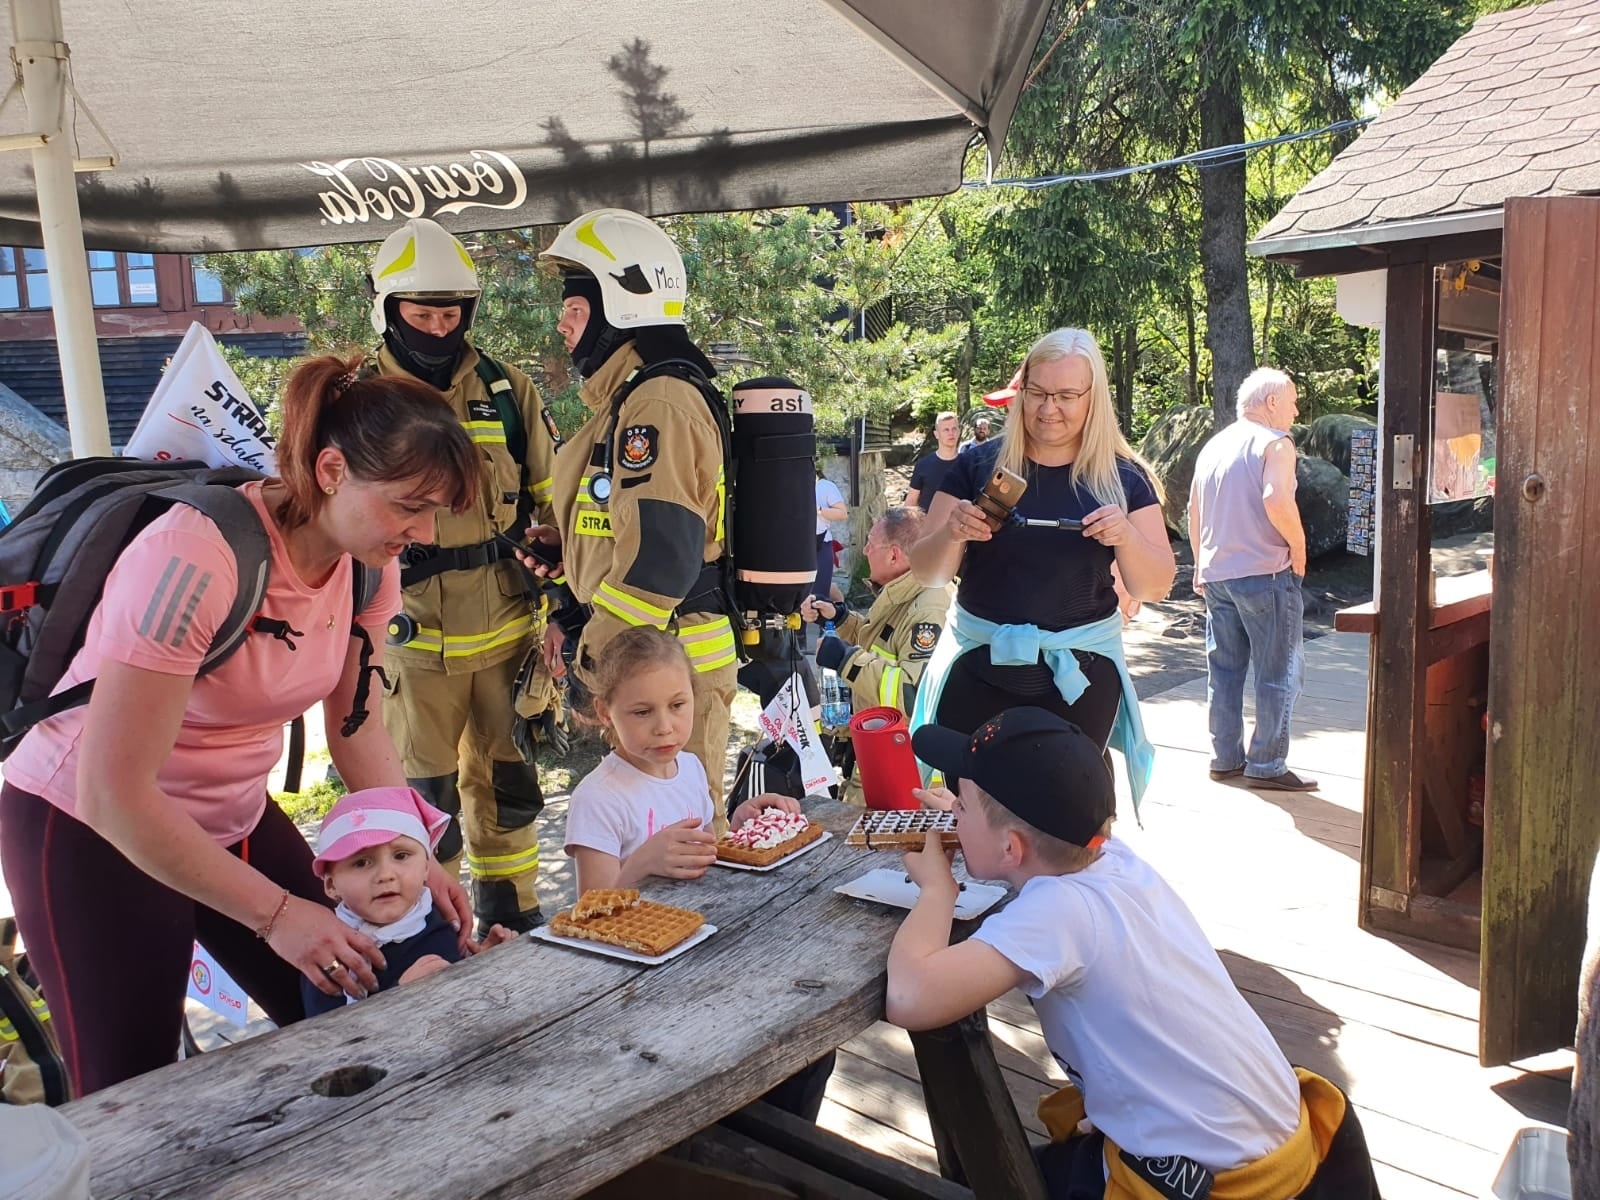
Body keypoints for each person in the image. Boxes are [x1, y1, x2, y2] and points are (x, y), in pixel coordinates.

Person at [0, 354, 479, 1096]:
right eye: (408, 505)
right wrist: (278, 914)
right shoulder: (196, 556)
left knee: (360, 999)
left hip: (234, 814)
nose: (419, 531)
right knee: (133, 1092)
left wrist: (417, 855)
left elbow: (357, 732)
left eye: (434, 512)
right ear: (329, 470)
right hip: (89, 827)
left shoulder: (368, 566)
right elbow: (115, 794)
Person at [891, 708, 1380, 1198]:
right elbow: (1034, 829)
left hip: (1222, 1184)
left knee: (996, 1180)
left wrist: (937, 889)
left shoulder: (1059, 911)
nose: (952, 810)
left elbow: (912, 998)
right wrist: (976, 820)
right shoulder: (1111, 858)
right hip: (1284, 1141)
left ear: (1012, 850)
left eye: (961, 807)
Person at [367, 215, 561, 936]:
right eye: (422, 314)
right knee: (424, 799)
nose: (439, 327)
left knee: (507, 790)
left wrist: (560, 558)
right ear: (388, 310)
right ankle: (432, 936)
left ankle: (515, 919)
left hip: (506, 636)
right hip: (411, 643)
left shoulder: (507, 392)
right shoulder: (360, 400)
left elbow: (553, 498)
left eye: (450, 313)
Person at [907, 327, 1175, 813]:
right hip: (977, 671)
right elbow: (927, 572)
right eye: (1038, 393)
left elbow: (1155, 584)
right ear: (1021, 391)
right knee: (974, 819)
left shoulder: (1123, 478)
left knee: (1066, 821)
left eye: (1067, 396)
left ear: (1094, 398)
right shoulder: (976, 466)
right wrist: (953, 533)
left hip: (1078, 679)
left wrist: (1127, 538)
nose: (1049, 409)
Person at [530, 208, 739, 824]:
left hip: (668, 669)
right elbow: (627, 524)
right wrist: (568, 551)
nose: (562, 323)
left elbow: (662, 558)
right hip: (648, 662)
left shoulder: (658, 402)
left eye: (576, 306)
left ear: (620, 304)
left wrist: (587, 657)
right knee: (645, 840)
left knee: (684, 842)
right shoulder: (629, 398)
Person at [563, 628, 801, 894]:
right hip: (641, 932)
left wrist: (739, 830)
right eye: (642, 712)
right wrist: (639, 865)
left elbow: (706, 855)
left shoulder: (691, 768)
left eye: (677, 705)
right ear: (605, 712)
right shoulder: (598, 798)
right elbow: (592, 914)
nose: (664, 727)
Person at [1187, 367, 1317, 792]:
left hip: (1217, 575)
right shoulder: (1275, 443)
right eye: (1293, 400)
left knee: (1223, 670)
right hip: (1265, 571)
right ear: (1272, 402)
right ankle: (1267, 763)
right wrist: (1298, 549)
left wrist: (1199, 565)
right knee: (1279, 669)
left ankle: (1224, 757)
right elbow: (1276, 498)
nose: (1296, 410)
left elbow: (1193, 512)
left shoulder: (1212, 447)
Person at [303, 786, 516, 1017]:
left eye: (401, 856)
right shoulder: (328, 953)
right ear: (331, 885)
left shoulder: (433, 917)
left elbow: (454, 977)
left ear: (426, 867)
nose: (386, 874)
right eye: (361, 863)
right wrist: (400, 998)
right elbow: (325, 1039)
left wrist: (481, 961)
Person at [802, 507, 952, 803]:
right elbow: (883, 644)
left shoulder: (930, 609)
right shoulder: (905, 593)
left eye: (871, 543)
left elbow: (912, 693)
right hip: (883, 750)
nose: (866, 550)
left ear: (895, 555)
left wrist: (845, 659)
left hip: (906, 770)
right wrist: (841, 619)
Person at [905, 411, 961, 508]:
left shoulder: (968, 464)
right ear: (936, 434)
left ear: (959, 431)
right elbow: (911, 503)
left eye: (954, 429)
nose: (951, 433)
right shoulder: (923, 465)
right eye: (946, 430)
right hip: (928, 521)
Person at [814, 468, 847, 604]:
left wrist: (819, 510)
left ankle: (831, 624)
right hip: (795, 545)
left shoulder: (825, 486)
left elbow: (842, 513)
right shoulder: (788, 484)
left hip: (820, 544)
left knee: (822, 593)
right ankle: (798, 626)